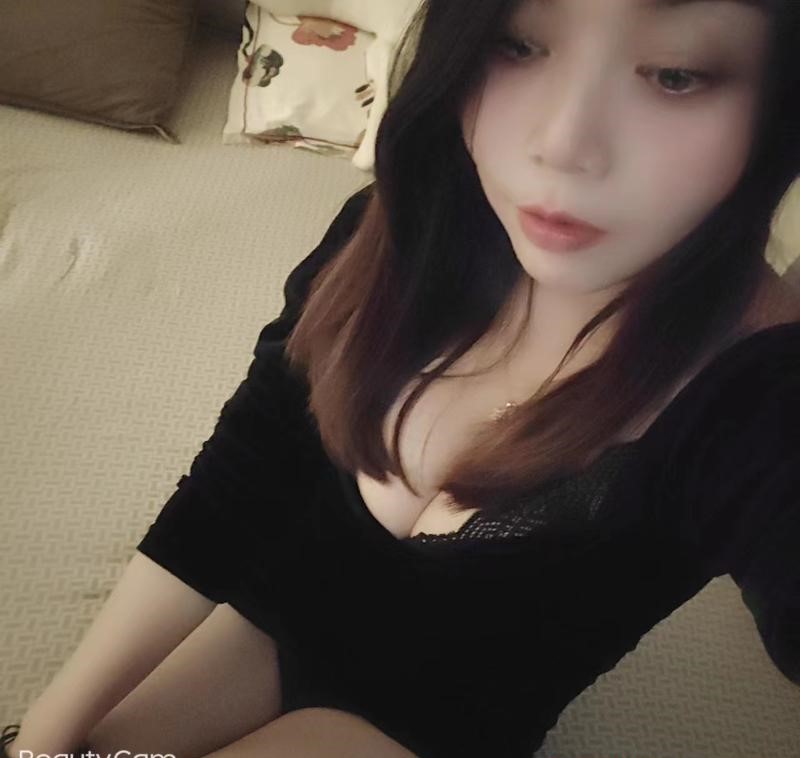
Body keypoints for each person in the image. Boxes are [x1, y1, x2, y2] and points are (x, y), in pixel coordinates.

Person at [5, 0, 800, 756]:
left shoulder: (760, 400)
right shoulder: (404, 227)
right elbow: (242, 482)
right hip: (267, 619)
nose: (562, 144)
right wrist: (48, 728)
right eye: (519, 44)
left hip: (426, 724)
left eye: (675, 74)